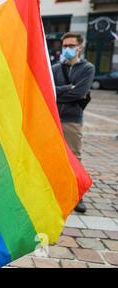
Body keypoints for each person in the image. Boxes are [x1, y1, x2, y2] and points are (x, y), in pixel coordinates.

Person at [53, 32, 95, 213]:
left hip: (72, 118)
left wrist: (60, 93)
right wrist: (67, 89)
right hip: (53, 117)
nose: (67, 49)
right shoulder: (55, 68)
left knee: (74, 158)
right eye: (65, 46)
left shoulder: (87, 68)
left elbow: (79, 93)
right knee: (52, 156)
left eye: (71, 46)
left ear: (80, 47)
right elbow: (49, 90)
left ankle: (77, 196)